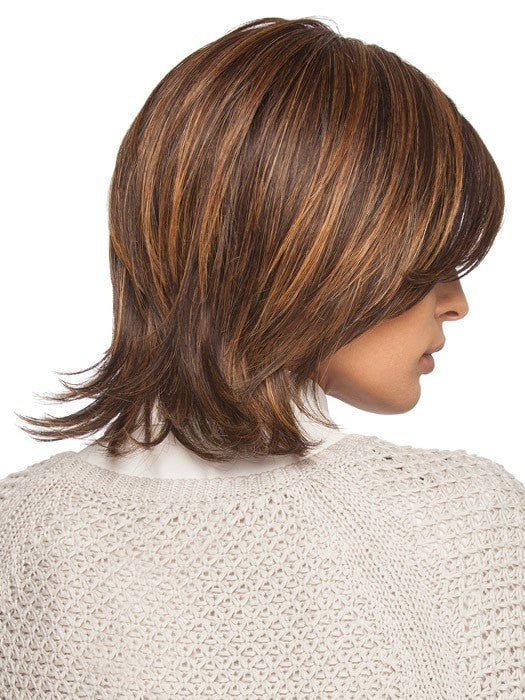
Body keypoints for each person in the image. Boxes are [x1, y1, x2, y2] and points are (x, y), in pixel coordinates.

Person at [2, 16, 523, 698]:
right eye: (428, 260)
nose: (455, 303)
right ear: (310, 250)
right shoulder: (457, 526)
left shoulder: (19, 533)